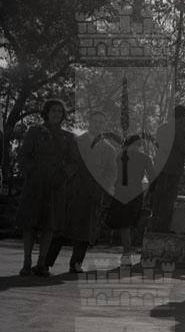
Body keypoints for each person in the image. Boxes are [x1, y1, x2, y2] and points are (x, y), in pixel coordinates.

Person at [46, 110, 118, 272]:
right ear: (89, 122)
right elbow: (66, 162)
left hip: (93, 194)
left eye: (101, 122)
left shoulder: (109, 149)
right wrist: (67, 182)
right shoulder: (76, 142)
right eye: (95, 121)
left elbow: (112, 173)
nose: (98, 125)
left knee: (86, 230)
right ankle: (46, 263)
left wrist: (102, 187)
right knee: (61, 229)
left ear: (104, 125)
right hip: (72, 191)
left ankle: (76, 263)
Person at [15, 99, 79, 277]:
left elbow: (74, 162)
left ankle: (41, 264)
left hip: (55, 184)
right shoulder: (34, 131)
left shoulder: (68, 137)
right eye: (53, 110)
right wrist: (32, 172)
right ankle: (27, 263)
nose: (56, 114)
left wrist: (64, 175)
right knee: (29, 223)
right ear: (46, 113)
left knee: (49, 225)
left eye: (60, 111)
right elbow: (23, 156)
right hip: (35, 182)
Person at [105, 135, 155, 266]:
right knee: (129, 224)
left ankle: (127, 253)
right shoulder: (144, 158)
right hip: (135, 193)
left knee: (125, 225)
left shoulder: (120, 156)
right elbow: (153, 177)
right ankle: (128, 252)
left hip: (122, 192)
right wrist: (148, 194)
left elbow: (113, 174)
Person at [150, 105, 185, 232]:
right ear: (183, 117)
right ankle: (162, 227)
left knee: (158, 197)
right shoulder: (180, 130)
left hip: (160, 167)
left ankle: (153, 224)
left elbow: (157, 145)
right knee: (168, 199)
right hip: (173, 169)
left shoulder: (161, 128)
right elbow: (184, 148)